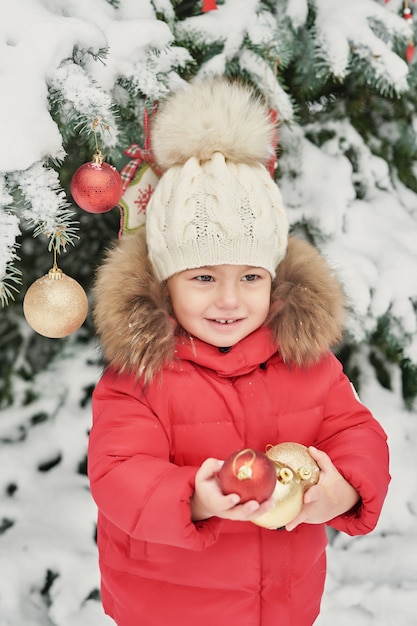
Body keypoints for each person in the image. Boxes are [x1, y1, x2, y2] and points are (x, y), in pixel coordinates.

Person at [88, 77, 390, 626]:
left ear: (273, 279)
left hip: (284, 604)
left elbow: (356, 431)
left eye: (250, 276)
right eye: (203, 276)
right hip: (169, 607)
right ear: (165, 282)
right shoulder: (140, 375)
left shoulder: (307, 361)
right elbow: (117, 473)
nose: (229, 299)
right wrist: (196, 498)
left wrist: (344, 489)